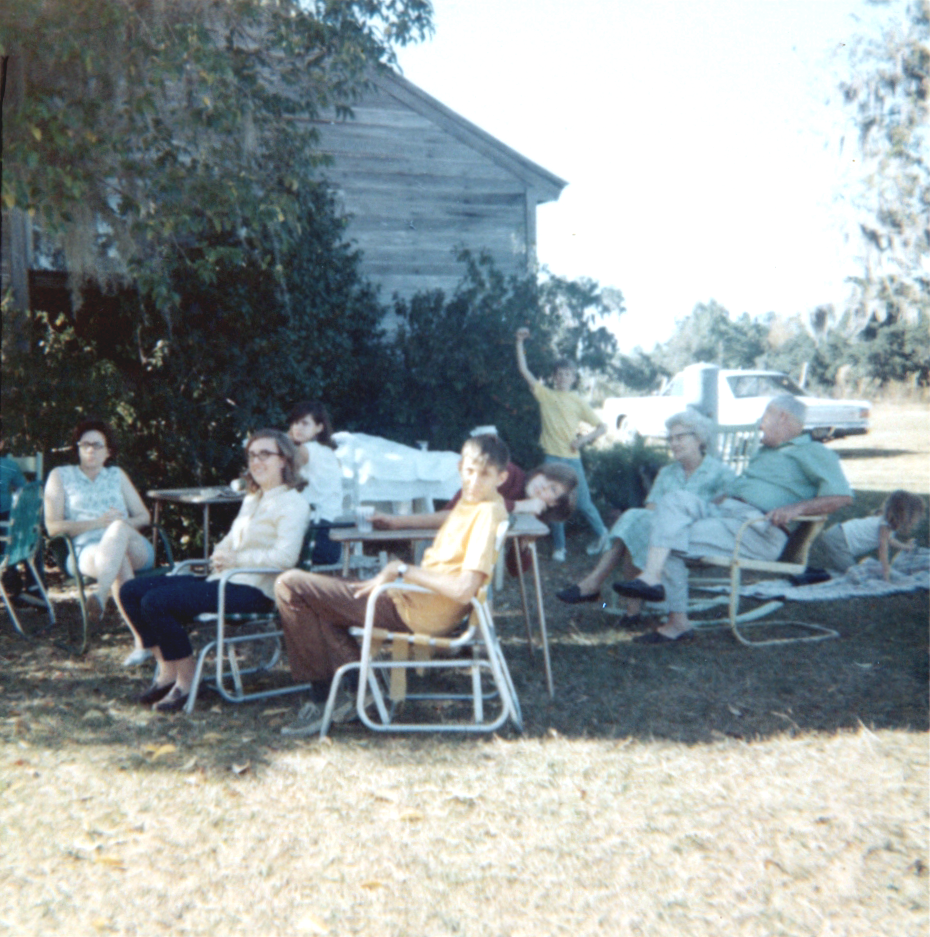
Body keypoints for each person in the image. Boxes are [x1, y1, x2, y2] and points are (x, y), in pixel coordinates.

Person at [274, 433, 511, 736]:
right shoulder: (481, 502)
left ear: (502, 477)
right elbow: (450, 516)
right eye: (469, 471)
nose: (474, 481)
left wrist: (403, 570)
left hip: (417, 609)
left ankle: (322, 700)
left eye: (485, 475)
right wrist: (398, 523)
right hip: (413, 600)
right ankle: (361, 689)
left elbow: (464, 587)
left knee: (290, 585)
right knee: (317, 601)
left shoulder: (487, 514)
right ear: (460, 467)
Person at [613, 396, 853, 644]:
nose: (759, 424)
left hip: (758, 529)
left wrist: (796, 509)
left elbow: (842, 496)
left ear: (783, 417)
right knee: (674, 501)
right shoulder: (766, 452)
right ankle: (652, 579)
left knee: (668, 542)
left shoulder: (813, 451)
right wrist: (707, 505)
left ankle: (676, 621)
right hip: (726, 513)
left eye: (765, 416)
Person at [118, 430, 310, 712]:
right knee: (131, 591)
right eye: (252, 455)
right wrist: (220, 554)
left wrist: (236, 560)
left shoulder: (294, 503)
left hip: (256, 590)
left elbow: (286, 557)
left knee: (156, 602)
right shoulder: (252, 499)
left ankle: (188, 679)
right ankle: (167, 670)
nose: (257, 462)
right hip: (225, 579)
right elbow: (230, 540)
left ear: (284, 460)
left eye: (265, 454)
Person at [557, 409, 735, 621]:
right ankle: (612, 595)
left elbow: (726, 513)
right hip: (662, 538)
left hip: (696, 538)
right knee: (637, 519)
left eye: (680, 437)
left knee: (636, 521)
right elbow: (650, 509)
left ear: (699, 439)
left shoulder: (721, 473)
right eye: (670, 439)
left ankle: (601, 590)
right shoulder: (667, 472)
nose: (673, 443)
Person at [44, 419, 156, 664]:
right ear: (78, 448)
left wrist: (117, 527)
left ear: (109, 451)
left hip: (132, 543)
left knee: (117, 533)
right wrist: (98, 523)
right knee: (117, 560)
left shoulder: (117, 475)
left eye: (97, 445)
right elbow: (53, 527)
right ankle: (142, 642)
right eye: (85, 444)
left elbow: (143, 516)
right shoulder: (61, 476)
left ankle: (100, 595)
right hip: (87, 550)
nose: (91, 450)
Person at [515, 328, 609, 561]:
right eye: (559, 374)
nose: (563, 378)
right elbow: (524, 371)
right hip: (551, 459)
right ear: (554, 377)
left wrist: (583, 440)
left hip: (572, 460)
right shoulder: (546, 395)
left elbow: (602, 427)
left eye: (568, 374)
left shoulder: (578, 401)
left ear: (573, 378)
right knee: (554, 503)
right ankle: (560, 547)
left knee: (584, 503)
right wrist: (518, 342)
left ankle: (604, 537)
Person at [820, 489, 925, 581]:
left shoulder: (886, 523)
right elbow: (883, 550)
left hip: (837, 535)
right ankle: (817, 577)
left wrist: (905, 547)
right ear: (904, 515)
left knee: (850, 571)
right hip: (838, 540)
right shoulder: (885, 525)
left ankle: (824, 574)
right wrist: (886, 573)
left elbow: (889, 540)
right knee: (854, 574)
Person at [286, 401, 344, 565]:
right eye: (295, 422)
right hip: (332, 541)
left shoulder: (306, 450)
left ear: (319, 427)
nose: (298, 427)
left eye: (305, 423)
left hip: (315, 538)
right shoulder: (329, 452)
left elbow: (278, 471)